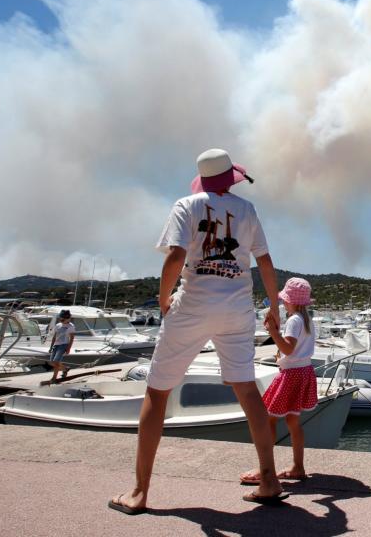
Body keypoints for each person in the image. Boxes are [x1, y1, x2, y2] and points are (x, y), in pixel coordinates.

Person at [110, 148, 287, 515]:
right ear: (230, 176)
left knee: (157, 392)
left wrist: (162, 299)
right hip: (236, 309)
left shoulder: (185, 205)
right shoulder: (247, 210)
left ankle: (140, 492)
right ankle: (269, 479)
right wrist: (274, 306)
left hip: (192, 306)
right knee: (247, 389)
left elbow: (175, 256)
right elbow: (265, 262)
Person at [240, 277, 317, 484]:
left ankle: (265, 469)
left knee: (268, 419)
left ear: (291, 301)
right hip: (303, 372)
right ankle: (298, 467)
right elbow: (296, 350)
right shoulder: (307, 319)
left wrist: (273, 332)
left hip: (291, 375)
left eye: (284, 300)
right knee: (293, 421)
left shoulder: (293, 320)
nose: (282, 303)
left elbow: (288, 349)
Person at [48, 309, 75, 383]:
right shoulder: (58, 325)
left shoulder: (71, 326)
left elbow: (72, 338)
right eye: (61, 318)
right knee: (51, 362)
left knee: (56, 362)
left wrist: (68, 348)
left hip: (63, 345)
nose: (61, 319)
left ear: (68, 318)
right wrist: (51, 347)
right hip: (56, 345)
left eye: (63, 318)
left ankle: (54, 378)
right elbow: (54, 337)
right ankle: (65, 368)